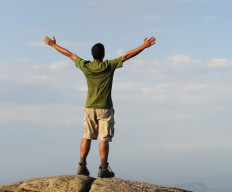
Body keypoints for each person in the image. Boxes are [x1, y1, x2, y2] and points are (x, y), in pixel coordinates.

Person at [44, 35, 156, 178]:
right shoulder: (108, 65)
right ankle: (103, 168)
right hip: (105, 108)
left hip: (90, 107)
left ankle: (81, 166)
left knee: (87, 136)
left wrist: (53, 45)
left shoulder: (86, 66)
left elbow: (69, 54)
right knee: (104, 138)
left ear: (92, 55)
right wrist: (144, 46)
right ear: (103, 55)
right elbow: (127, 56)